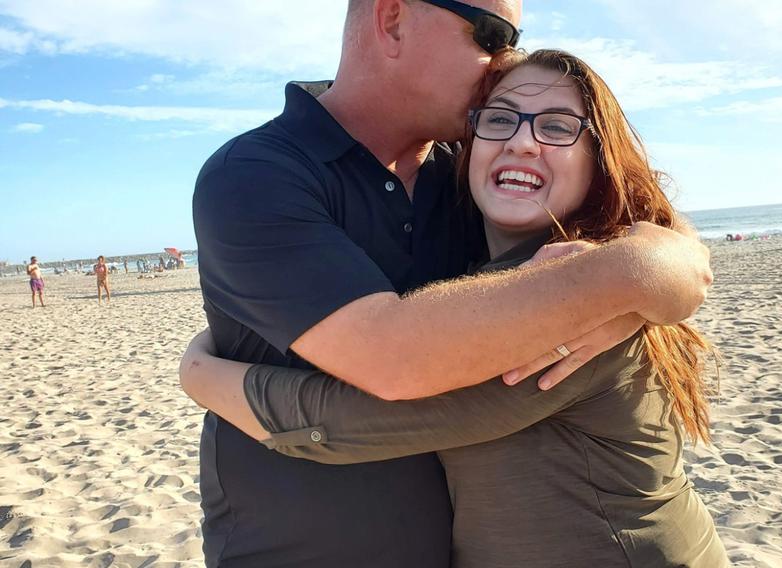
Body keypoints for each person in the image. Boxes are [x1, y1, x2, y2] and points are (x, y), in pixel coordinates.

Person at [189, 2, 712, 566]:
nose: (504, 58)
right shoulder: (258, 175)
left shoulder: (474, 184)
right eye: (492, 34)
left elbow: (632, 204)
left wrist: (651, 266)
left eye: (556, 127)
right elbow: (391, 355)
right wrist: (637, 273)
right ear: (392, 20)